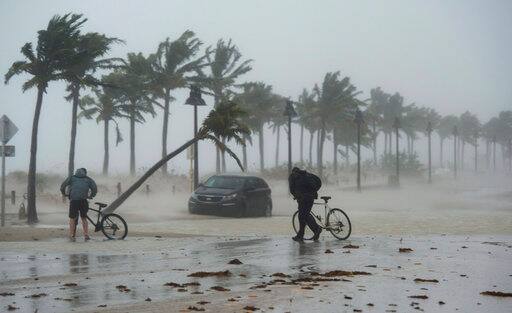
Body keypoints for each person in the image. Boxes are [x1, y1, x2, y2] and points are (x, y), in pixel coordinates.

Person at [60, 168, 97, 241]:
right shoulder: (88, 179)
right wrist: (91, 195)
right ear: (85, 173)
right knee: (84, 218)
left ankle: (71, 235)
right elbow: (94, 188)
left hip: (74, 201)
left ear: (76, 172)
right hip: (83, 200)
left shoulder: (72, 178)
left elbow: (63, 186)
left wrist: (64, 193)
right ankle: (86, 235)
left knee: (72, 218)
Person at [289, 167, 322, 242]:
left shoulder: (293, 176)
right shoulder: (307, 175)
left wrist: (296, 196)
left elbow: (291, 189)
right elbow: (318, 181)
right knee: (304, 215)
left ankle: (316, 229)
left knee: (302, 216)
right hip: (311, 198)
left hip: (303, 198)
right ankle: (302, 234)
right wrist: (313, 192)